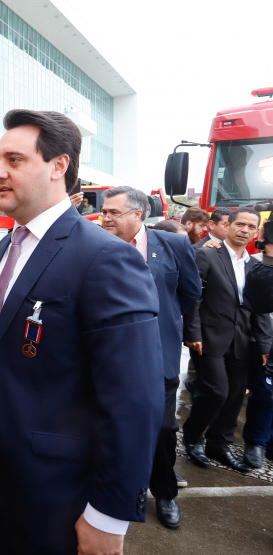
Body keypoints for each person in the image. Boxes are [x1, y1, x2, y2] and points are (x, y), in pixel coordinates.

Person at [0, 109, 163, 554]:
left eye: (14, 160)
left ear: (59, 166)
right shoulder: (6, 247)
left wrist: (108, 516)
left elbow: (134, 398)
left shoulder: (105, 258)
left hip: (58, 491)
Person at [101, 186, 201, 530]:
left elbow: (190, 291)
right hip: (109, 355)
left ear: (137, 215)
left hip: (159, 355)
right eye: (105, 211)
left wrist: (163, 322)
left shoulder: (173, 244)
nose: (105, 217)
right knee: (109, 426)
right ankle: (114, 490)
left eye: (114, 213)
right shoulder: (99, 246)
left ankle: (165, 492)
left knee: (161, 428)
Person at [182, 208, 272, 474]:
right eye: (240, 224)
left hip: (243, 340)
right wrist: (193, 333)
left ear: (257, 232)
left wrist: (265, 345)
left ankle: (218, 446)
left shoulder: (256, 265)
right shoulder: (207, 254)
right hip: (209, 337)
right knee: (217, 390)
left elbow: (260, 308)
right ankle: (193, 436)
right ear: (228, 226)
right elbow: (193, 298)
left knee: (234, 396)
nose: (245, 230)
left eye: (251, 226)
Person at [239, 216, 273, 469]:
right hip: (267, 342)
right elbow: (260, 309)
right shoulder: (258, 267)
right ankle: (256, 442)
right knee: (265, 393)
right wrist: (264, 345)